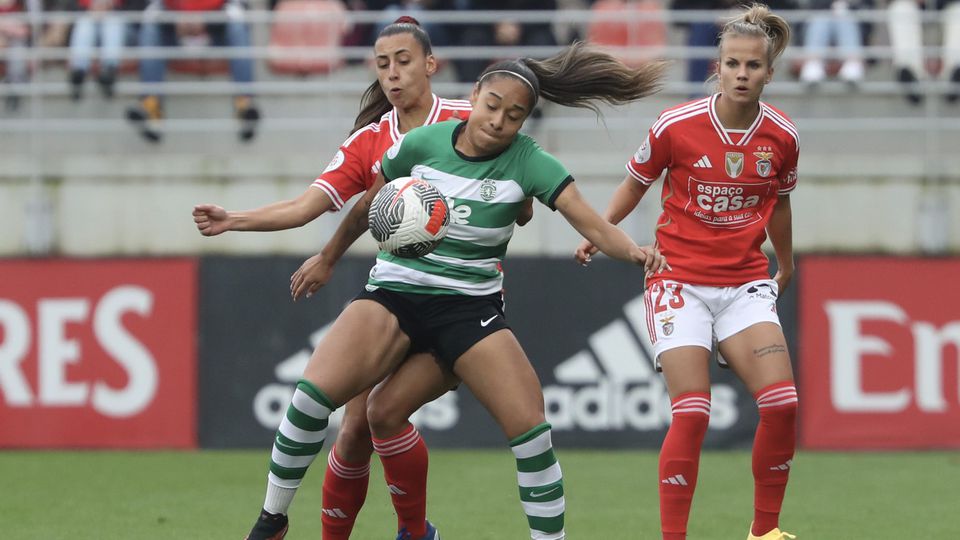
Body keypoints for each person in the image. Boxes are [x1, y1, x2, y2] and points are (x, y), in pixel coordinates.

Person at [284, 41, 668, 540]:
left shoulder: (530, 162)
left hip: (467, 313)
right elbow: (364, 208)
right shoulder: (421, 145)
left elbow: (591, 223)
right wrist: (328, 257)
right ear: (474, 97)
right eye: (492, 107)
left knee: (529, 428)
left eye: (514, 116)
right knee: (368, 417)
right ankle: (402, 531)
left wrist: (634, 251)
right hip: (398, 296)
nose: (499, 121)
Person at [193, 18, 492, 540]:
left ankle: (414, 531)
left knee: (384, 418)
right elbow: (307, 205)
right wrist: (234, 218)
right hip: (393, 294)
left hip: (459, 300)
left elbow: (518, 179)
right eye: (382, 65)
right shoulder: (370, 140)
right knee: (352, 431)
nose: (393, 74)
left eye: (403, 60)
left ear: (430, 64)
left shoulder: (469, 122)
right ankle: (288, 523)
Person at [575, 4, 799, 539]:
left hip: (746, 283)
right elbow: (635, 183)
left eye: (752, 66)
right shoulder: (677, 125)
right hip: (677, 282)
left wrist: (785, 263)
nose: (742, 74)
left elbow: (782, 204)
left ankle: (763, 532)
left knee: (783, 405)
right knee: (694, 413)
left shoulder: (783, 137)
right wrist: (600, 230)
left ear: (770, 72)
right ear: (716, 69)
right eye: (732, 64)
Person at [125, 0, 260, 142]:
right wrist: (175, 19)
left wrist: (206, 21)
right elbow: (149, 9)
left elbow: (241, 9)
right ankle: (150, 106)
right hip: (175, 35)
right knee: (150, 26)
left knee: (238, 25)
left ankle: (244, 106)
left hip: (215, 36)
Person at [887, 0, 960, 104]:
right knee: (901, 8)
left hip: (949, 5)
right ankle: (911, 73)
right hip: (913, 6)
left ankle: (954, 74)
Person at [798, 0, 871, 86]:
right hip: (817, 28)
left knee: (844, 16)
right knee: (821, 17)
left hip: (851, 29)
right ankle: (813, 64)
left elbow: (868, 20)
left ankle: (852, 63)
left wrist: (846, 7)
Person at [67, 0, 129, 100]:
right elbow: (71, 5)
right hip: (89, 16)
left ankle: (109, 70)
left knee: (113, 24)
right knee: (84, 25)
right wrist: (92, 7)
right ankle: (79, 71)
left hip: (118, 18)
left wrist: (111, 5)